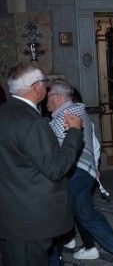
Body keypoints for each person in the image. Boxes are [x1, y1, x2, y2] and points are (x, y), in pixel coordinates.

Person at [0, 64, 83, 266]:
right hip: (31, 219)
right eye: (45, 84)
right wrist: (74, 132)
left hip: (8, 214)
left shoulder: (4, 112)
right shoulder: (33, 122)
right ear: (36, 87)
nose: (47, 89)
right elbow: (56, 168)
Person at [47, 79, 113, 265]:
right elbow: (92, 142)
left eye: (48, 96)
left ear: (57, 97)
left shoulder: (64, 115)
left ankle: (53, 259)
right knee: (87, 215)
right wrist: (95, 168)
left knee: (54, 213)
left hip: (73, 173)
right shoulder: (79, 111)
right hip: (86, 172)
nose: (46, 101)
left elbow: (48, 146)